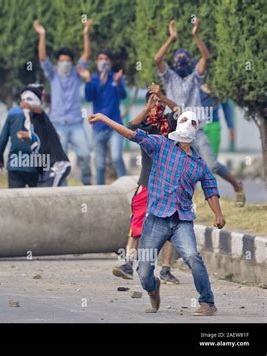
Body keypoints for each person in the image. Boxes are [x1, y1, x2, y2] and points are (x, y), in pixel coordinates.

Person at [89, 110, 225, 316]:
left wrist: (218, 215)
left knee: (192, 256)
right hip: (156, 220)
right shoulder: (160, 146)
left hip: (181, 221)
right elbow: (132, 135)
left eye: (192, 122)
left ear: (196, 129)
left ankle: (207, 302)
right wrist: (104, 119)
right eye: (184, 120)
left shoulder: (199, 165)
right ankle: (153, 289)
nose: (188, 123)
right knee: (144, 273)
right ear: (177, 125)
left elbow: (211, 189)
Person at [154, 18, 245, 207]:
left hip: (197, 130)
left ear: (189, 62)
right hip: (176, 132)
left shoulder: (195, 78)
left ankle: (237, 185)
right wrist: (172, 38)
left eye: (184, 59)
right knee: (177, 169)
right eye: (178, 59)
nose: (181, 61)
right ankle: (183, 204)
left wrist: (196, 35)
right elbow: (157, 59)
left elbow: (205, 57)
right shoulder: (169, 78)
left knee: (210, 165)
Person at [112, 84, 180, 285]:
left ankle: (166, 269)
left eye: (160, 101)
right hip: (147, 183)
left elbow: (179, 110)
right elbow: (130, 127)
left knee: (169, 226)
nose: (157, 104)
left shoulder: (171, 123)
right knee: (137, 223)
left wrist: (162, 96)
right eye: (153, 101)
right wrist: (147, 107)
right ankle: (128, 264)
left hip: (168, 185)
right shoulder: (146, 127)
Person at [34, 19, 92, 185]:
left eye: (68, 60)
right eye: (62, 60)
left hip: (75, 124)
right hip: (57, 124)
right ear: (57, 62)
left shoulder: (76, 73)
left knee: (86, 154)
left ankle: (87, 182)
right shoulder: (53, 74)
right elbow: (42, 58)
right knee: (60, 160)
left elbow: (87, 55)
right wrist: (42, 35)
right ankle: (62, 188)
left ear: (71, 62)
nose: (65, 63)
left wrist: (86, 33)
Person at [79, 48, 127, 183]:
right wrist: (88, 81)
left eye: (106, 59)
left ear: (111, 62)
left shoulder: (116, 77)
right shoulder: (93, 79)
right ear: (97, 62)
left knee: (117, 157)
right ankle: (100, 192)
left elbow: (124, 95)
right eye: (100, 59)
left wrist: (118, 83)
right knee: (99, 165)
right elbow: (89, 97)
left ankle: (129, 187)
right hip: (98, 127)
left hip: (115, 126)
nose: (103, 62)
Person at [16, 85, 71, 187]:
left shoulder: (39, 115)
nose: (25, 102)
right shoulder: (32, 121)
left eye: (29, 99)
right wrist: (27, 135)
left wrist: (29, 106)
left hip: (57, 164)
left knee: (48, 194)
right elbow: (43, 136)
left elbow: (39, 110)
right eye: (23, 100)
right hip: (46, 167)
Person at [0, 103, 40, 188]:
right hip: (35, 165)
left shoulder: (12, 113)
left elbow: (3, 138)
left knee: (15, 198)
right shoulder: (40, 114)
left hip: (15, 164)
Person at [199, 84, 235, 157]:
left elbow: (226, 105)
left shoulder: (218, 83)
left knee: (212, 159)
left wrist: (230, 127)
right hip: (197, 125)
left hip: (213, 124)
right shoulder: (194, 79)